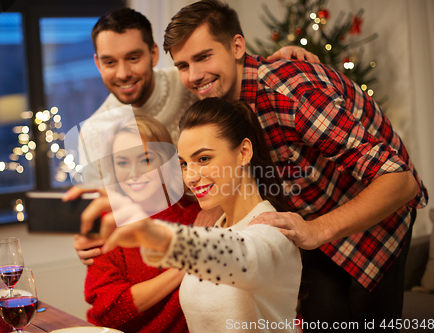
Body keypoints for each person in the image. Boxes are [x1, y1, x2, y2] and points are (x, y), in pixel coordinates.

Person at [160, 0, 428, 331]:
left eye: (203, 57)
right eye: (183, 65)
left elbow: (400, 182)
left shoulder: (292, 93)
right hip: (311, 220)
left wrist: (316, 229)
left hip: (376, 217)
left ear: (237, 46)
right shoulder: (214, 97)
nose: (194, 75)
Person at [64, 6, 320, 264]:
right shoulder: (93, 132)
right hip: (155, 248)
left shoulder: (191, 82)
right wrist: (90, 242)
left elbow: (236, 79)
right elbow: (103, 216)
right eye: (109, 62)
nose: (122, 73)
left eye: (133, 58)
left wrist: (286, 57)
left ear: (153, 53)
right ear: (97, 63)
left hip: (224, 224)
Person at [82, 98, 302, 333]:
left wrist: (152, 235)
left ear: (244, 152)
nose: (190, 177)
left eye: (204, 159)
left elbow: (243, 256)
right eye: (185, 164)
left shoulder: (273, 229)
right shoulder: (215, 226)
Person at [83, 114, 201, 332]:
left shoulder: (198, 215)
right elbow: (108, 310)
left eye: (146, 160)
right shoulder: (108, 222)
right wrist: (188, 264)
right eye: (122, 162)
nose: (133, 173)